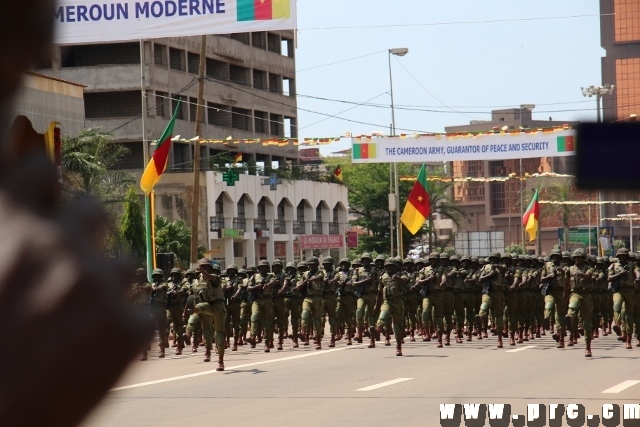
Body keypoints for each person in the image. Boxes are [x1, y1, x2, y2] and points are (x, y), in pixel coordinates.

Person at [193, 258, 226, 369]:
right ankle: (188, 331)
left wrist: (203, 271)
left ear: (210, 268)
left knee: (219, 335)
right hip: (207, 304)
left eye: (206, 267)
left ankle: (220, 361)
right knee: (196, 309)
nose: (204, 268)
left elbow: (210, 277)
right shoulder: (199, 280)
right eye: (202, 267)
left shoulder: (215, 277)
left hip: (218, 306)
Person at [376, 258, 409, 356]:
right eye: (388, 266)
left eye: (392, 266)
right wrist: (377, 305)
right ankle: (378, 330)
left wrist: (397, 278)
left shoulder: (401, 274)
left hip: (397, 302)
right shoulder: (383, 277)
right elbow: (380, 291)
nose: (389, 268)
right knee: (382, 315)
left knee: (396, 325)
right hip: (387, 301)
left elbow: (405, 281)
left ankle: (398, 346)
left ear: (395, 267)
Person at [566, 249, 595, 356]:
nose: (578, 259)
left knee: (587, 322)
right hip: (575, 293)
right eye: (576, 257)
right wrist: (565, 294)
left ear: (583, 258)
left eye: (580, 257)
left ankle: (588, 347)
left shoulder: (589, 268)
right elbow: (567, 282)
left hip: (586, 294)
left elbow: (588, 275)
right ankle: (569, 319)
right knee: (572, 307)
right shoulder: (570, 269)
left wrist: (582, 275)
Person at [608, 248, 636, 349]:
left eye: (624, 256)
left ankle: (628, 340)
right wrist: (620, 274)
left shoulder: (632, 265)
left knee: (629, 316)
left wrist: (637, 277)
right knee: (617, 305)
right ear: (618, 256)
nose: (622, 257)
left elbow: (637, 272)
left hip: (629, 290)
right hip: (618, 289)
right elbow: (609, 278)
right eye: (621, 256)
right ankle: (617, 324)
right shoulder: (614, 266)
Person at [297, 257, 326, 349]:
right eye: (310, 265)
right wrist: (303, 283)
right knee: (304, 313)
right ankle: (303, 332)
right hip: (308, 297)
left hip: (318, 297)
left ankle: (318, 341)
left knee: (317, 320)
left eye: (313, 264)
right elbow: (300, 286)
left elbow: (320, 277)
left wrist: (311, 279)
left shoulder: (321, 272)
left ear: (317, 265)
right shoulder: (305, 274)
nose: (311, 266)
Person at [478, 252, 505, 348]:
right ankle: (481, 318)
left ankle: (500, 339)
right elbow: (480, 278)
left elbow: (503, 269)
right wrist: (490, 275)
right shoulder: (486, 267)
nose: (493, 260)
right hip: (488, 290)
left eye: (495, 258)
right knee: (484, 304)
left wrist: (496, 267)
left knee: (499, 316)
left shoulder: (502, 267)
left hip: (498, 292)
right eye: (492, 258)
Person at [131, 268, 152, 361]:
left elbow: (148, 289)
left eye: (140, 276)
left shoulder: (147, 284)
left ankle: (144, 354)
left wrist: (138, 288)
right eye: (137, 276)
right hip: (135, 308)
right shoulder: (133, 286)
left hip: (144, 308)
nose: (138, 278)